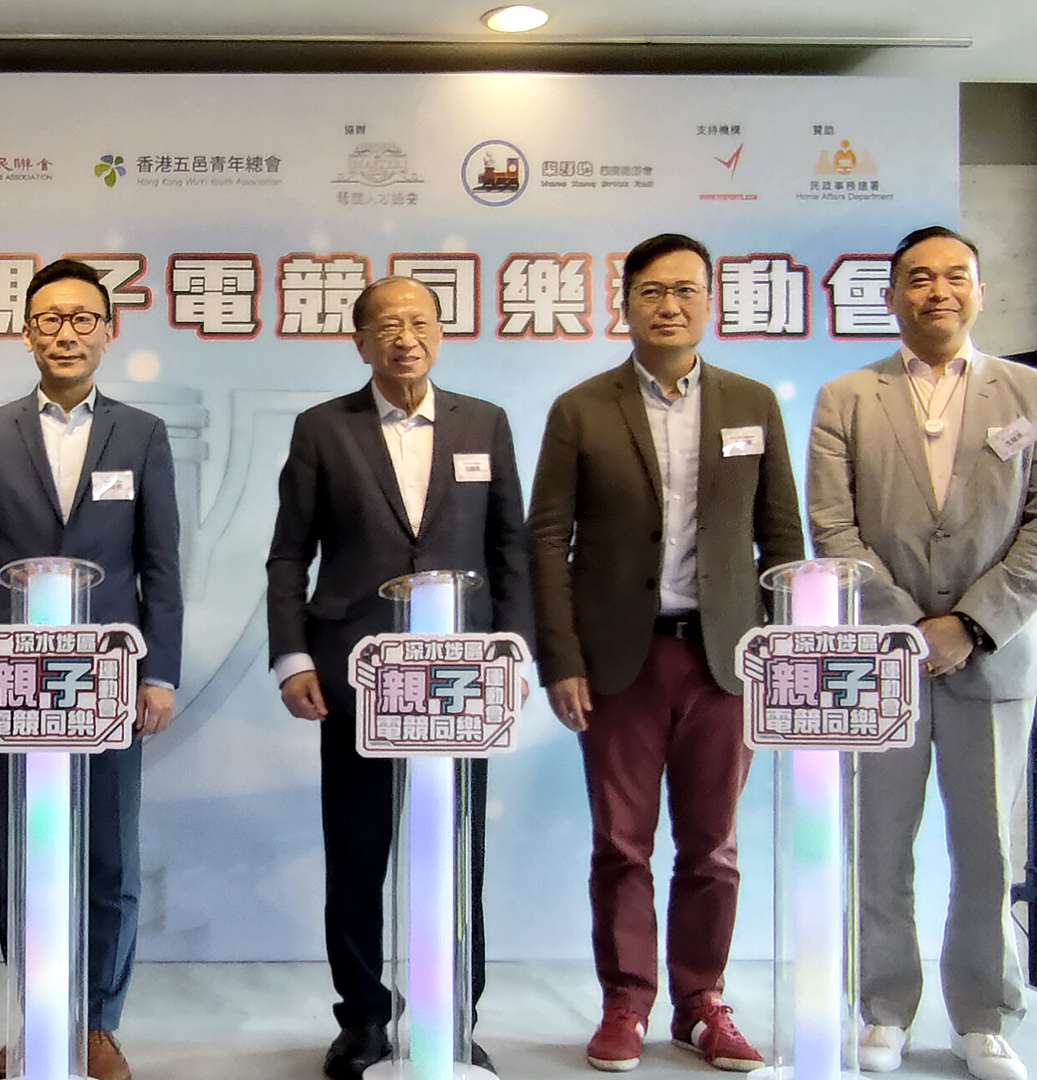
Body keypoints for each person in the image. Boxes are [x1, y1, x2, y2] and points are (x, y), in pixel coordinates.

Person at [526, 233, 803, 1073]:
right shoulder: (581, 407)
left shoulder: (753, 403)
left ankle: (701, 1003)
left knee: (712, 845)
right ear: (627, 303)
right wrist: (561, 658)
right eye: (652, 291)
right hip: (619, 659)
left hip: (726, 660)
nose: (669, 305)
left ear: (709, 302)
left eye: (685, 290)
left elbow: (781, 534)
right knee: (621, 843)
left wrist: (782, 655)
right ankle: (626, 1003)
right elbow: (546, 539)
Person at [808, 226, 1037, 1080]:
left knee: (988, 849)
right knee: (878, 846)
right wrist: (905, 626)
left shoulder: (1034, 396)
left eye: (955, 277)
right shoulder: (847, 395)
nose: (937, 292)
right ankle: (884, 1008)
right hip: (880, 662)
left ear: (980, 291)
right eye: (918, 279)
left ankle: (984, 1015)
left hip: (995, 659)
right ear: (890, 295)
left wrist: (969, 625)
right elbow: (833, 525)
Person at [266, 275, 530, 1080]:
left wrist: (513, 652)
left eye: (418, 322)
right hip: (355, 673)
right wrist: (293, 656)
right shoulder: (323, 429)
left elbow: (510, 550)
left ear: (441, 333)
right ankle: (363, 1020)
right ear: (360, 341)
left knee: (456, 847)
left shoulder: (484, 422)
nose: (403, 337)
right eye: (386, 325)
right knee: (356, 851)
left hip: (460, 678)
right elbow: (289, 555)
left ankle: (453, 1012)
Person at [0, 258, 183, 1080]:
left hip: (111, 682)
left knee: (111, 856)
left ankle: (99, 1023)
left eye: (83, 318)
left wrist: (161, 674)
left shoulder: (143, 434)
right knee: (30, 852)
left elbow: (161, 567)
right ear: (26, 333)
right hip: (14, 678)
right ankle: (36, 1015)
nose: (66, 333)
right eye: (49, 319)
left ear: (109, 331)